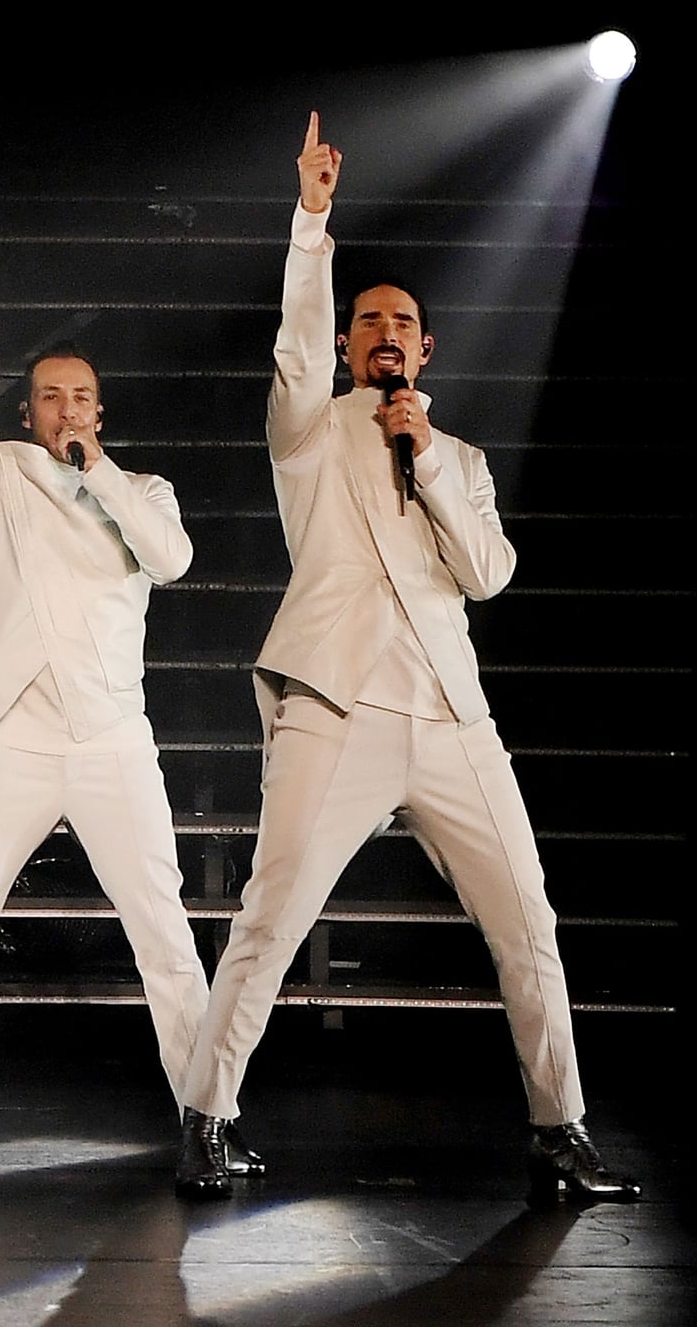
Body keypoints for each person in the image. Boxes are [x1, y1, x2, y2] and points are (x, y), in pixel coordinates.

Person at [173, 114, 640, 1203]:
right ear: (347, 345)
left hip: (447, 714)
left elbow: (486, 574)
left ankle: (558, 1130)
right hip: (334, 702)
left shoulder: (457, 456)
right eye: (367, 322)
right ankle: (204, 1116)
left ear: (425, 350)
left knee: (527, 918)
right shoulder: (308, 427)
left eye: (401, 324)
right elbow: (291, 339)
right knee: (273, 911)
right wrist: (312, 220)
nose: (383, 333)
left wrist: (424, 457)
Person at [0, 223, 259, 1177]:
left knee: (162, 927)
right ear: (28, 413)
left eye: (83, 398)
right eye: (51, 397)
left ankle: (206, 1119)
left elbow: (174, 562)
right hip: (8, 727)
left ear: (102, 412)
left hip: (109, 733)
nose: (67, 409)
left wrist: (97, 465)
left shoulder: (142, 489)